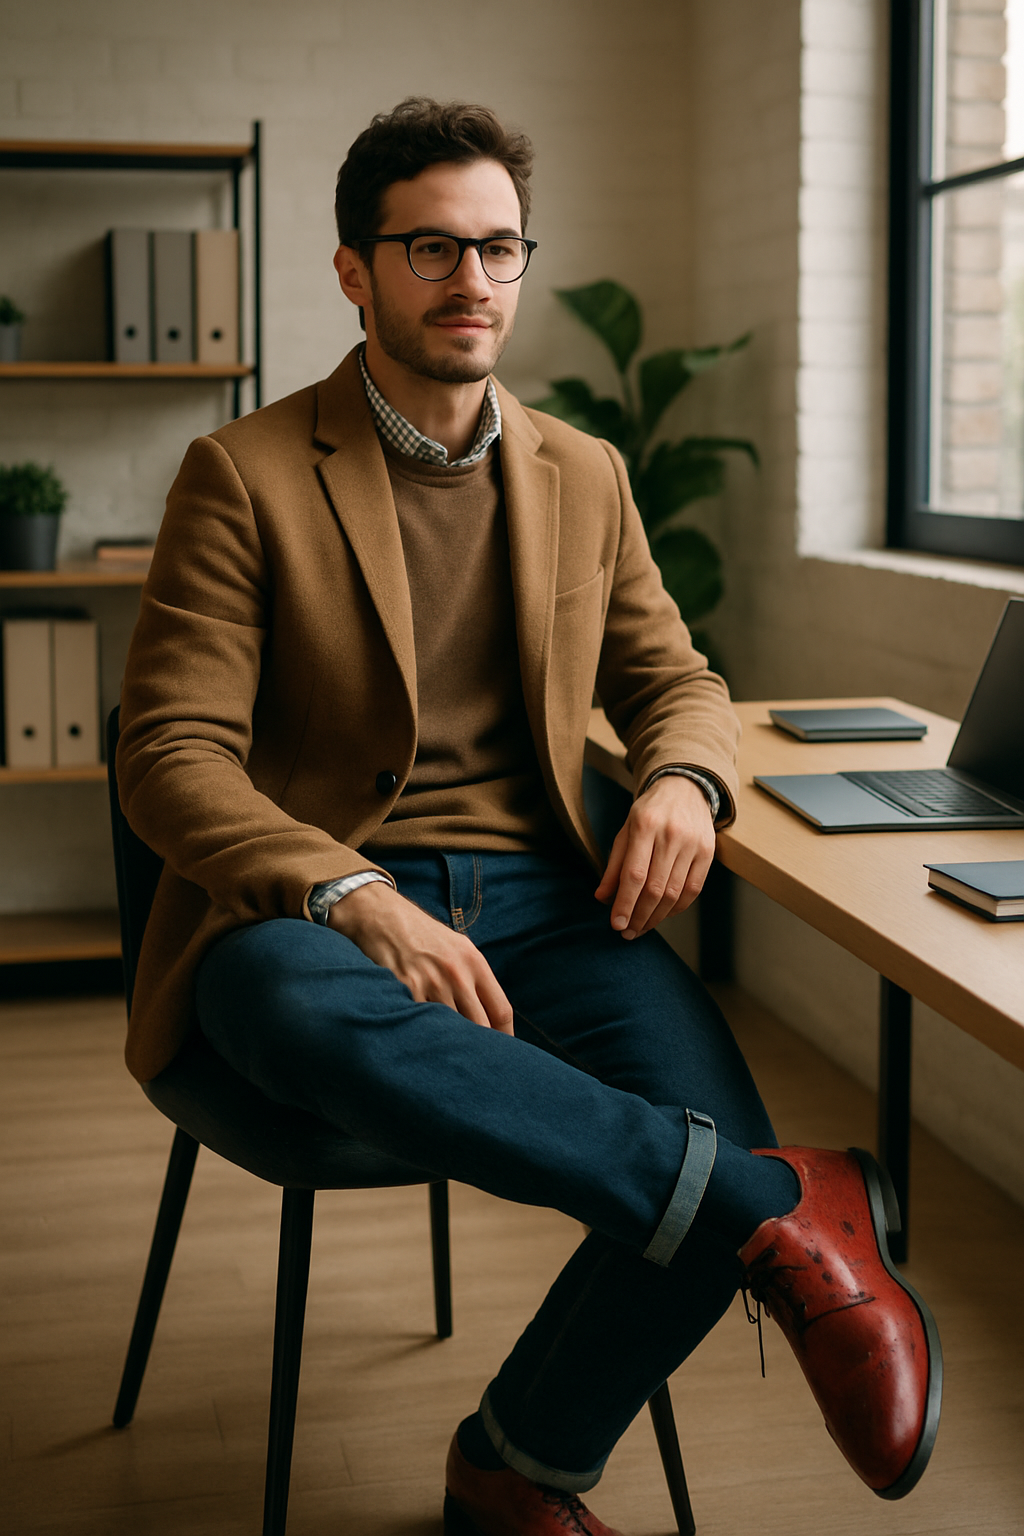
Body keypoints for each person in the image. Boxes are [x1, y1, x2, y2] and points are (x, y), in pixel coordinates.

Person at [117, 97, 941, 1536]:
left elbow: (674, 678)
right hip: (319, 918)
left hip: (552, 905)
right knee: (293, 1004)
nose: (474, 282)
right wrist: (349, 895)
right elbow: (171, 754)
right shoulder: (243, 475)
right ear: (355, 271)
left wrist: (685, 778)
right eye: (431, 248)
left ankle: (517, 1458)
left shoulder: (582, 471)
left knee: (687, 1163)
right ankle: (778, 1204)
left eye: (499, 248)